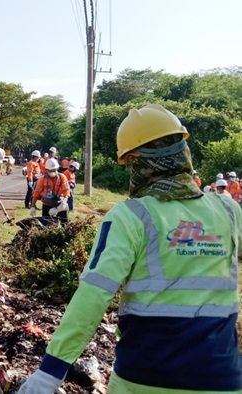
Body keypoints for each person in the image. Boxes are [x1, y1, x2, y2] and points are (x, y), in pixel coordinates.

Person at [19, 104, 242, 393]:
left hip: (143, 379)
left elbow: (94, 294)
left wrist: (51, 371)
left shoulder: (131, 216)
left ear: (137, 162)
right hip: (221, 379)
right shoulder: (228, 210)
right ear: (182, 151)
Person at [30, 158, 70, 223]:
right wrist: (33, 206)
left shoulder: (62, 177)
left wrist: (59, 207)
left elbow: (66, 192)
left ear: (57, 169)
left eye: (54, 170)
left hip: (59, 204)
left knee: (65, 224)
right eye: (51, 170)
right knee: (46, 225)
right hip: (47, 205)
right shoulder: (42, 179)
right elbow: (36, 193)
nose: (53, 172)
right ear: (47, 170)